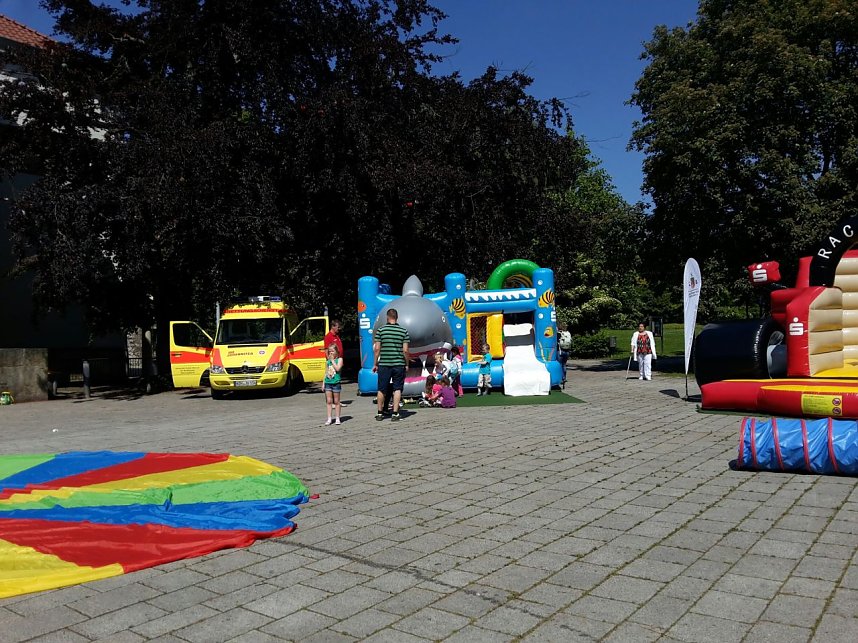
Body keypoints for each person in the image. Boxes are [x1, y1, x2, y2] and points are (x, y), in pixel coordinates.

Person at [373, 308, 410, 421]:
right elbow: (405, 351)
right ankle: (395, 413)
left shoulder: (381, 331)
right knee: (397, 388)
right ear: (397, 317)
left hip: (384, 364)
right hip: (399, 364)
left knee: (381, 389)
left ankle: (380, 413)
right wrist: (407, 363)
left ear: (387, 317)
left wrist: (375, 363)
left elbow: (377, 349)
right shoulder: (404, 331)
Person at [323, 344, 343, 425]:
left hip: (336, 383)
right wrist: (323, 383)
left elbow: (338, 368)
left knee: (336, 401)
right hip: (328, 382)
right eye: (329, 351)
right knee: (329, 401)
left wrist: (332, 361)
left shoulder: (340, 360)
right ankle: (329, 418)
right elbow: (326, 372)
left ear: (336, 352)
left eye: (332, 351)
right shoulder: (327, 362)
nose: (330, 353)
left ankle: (337, 418)